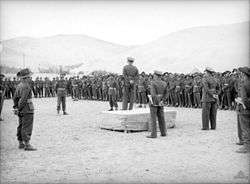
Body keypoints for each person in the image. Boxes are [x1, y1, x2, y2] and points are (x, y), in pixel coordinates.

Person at [13, 68, 37, 151]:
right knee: (27, 125)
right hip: (27, 108)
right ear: (26, 77)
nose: (31, 78)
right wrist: (19, 108)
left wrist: (16, 107)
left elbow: (15, 97)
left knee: (21, 125)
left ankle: (20, 143)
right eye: (30, 76)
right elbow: (23, 99)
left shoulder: (19, 85)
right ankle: (27, 144)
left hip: (21, 108)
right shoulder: (26, 86)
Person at [147, 70, 167, 138]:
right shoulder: (164, 83)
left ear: (155, 75)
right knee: (161, 117)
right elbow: (167, 93)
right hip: (161, 101)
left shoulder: (153, 83)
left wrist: (156, 101)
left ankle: (153, 134)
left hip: (154, 102)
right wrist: (162, 100)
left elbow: (153, 94)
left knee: (153, 119)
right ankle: (163, 132)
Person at [235, 67, 250, 153]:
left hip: (245, 109)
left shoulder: (244, 84)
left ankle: (246, 147)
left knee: (245, 128)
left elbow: (244, 99)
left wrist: (242, 103)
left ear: (244, 74)